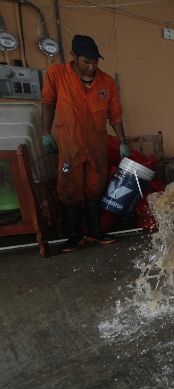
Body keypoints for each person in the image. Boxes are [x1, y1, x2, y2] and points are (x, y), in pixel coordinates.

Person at [41, 35, 128, 253]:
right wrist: (45, 133)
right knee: (69, 187)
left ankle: (95, 232)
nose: (91, 67)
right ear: (74, 57)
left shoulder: (106, 82)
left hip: (97, 145)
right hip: (70, 144)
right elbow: (48, 103)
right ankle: (74, 236)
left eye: (95, 63)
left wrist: (122, 141)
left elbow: (115, 115)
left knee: (95, 185)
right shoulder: (57, 74)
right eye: (86, 62)